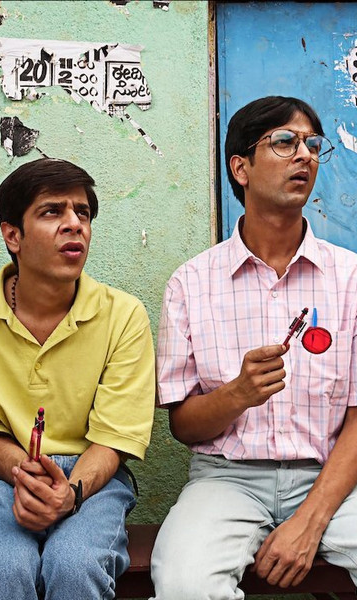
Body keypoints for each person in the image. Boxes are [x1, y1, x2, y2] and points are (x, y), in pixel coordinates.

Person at [151, 95, 357, 598]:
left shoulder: (350, 278)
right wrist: (237, 394)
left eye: (312, 145)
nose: (304, 155)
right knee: (183, 585)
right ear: (240, 168)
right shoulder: (191, 284)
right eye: (284, 142)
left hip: (333, 479)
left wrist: (310, 521)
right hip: (226, 481)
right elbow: (182, 425)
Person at [0, 157, 155, 600]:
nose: (74, 224)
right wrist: (27, 476)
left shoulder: (123, 315)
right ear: (12, 235)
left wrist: (70, 493)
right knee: (1, 569)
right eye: (52, 211)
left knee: (75, 567)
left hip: (94, 480)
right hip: (5, 474)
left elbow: (115, 438)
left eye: (83, 213)